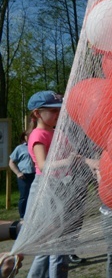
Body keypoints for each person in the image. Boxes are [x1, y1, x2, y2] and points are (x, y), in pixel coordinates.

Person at [24, 90, 73, 278]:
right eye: (52, 111)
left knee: (50, 246)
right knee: (54, 245)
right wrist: (68, 161)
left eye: (59, 111)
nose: (57, 115)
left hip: (59, 187)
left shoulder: (57, 133)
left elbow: (71, 153)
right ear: (37, 113)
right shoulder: (38, 135)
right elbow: (43, 165)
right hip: (45, 190)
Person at [9, 131, 36, 219]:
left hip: (35, 174)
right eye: (27, 136)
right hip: (24, 176)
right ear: (24, 137)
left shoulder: (36, 146)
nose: (29, 137)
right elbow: (11, 162)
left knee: (36, 196)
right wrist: (18, 173)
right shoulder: (19, 148)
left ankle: (34, 216)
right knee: (24, 196)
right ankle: (23, 216)